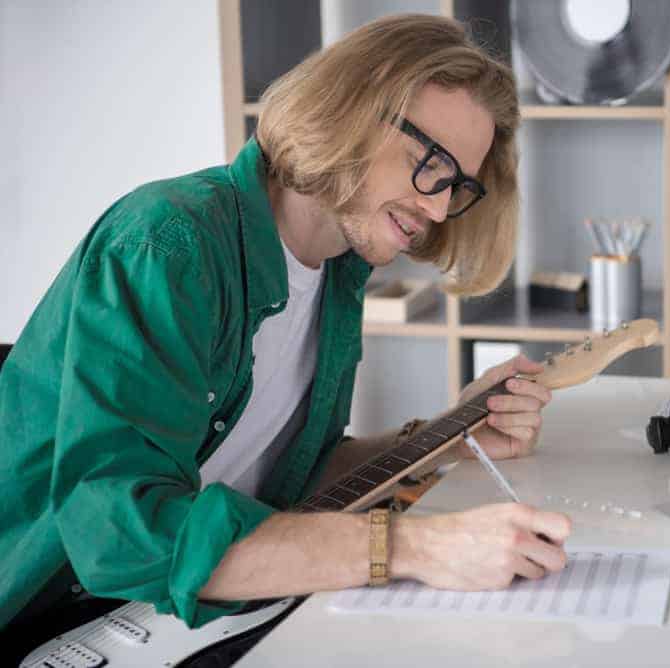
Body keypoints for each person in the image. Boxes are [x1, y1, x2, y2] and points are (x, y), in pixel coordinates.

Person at [0, 12, 572, 644]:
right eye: (430, 162)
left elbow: (287, 475)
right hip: (47, 613)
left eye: (458, 185)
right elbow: (124, 536)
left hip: (168, 615)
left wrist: (442, 438)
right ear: (352, 108)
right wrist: (415, 547)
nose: (438, 207)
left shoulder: (338, 271)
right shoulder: (167, 247)